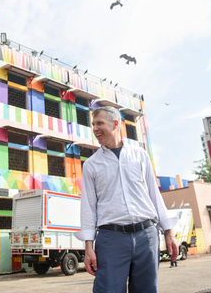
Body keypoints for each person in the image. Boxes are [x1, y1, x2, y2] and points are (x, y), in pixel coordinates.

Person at [75, 106, 178, 293]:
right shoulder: (91, 165)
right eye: (93, 124)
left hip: (147, 235)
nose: (95, 128)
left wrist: (169, 232)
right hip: (111, 238)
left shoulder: (139, 155)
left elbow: (154, 194)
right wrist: (88, 247)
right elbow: (88, 208)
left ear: (116, 124)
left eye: (100, 123)